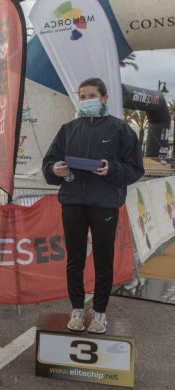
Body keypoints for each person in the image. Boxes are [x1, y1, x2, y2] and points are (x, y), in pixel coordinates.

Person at [42, 78, 144, 333]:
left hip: (105, 205)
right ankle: (76, 309)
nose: (86, 100)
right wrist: (55, 170)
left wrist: (112, 169)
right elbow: (49, 165)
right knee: (74, 259)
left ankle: (99, 312)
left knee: (103, 260)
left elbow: (135, 169)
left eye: (91, 96)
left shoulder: (120, 130)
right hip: (73, 203)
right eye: (82, 96)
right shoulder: (68, 129)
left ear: (104, 98)